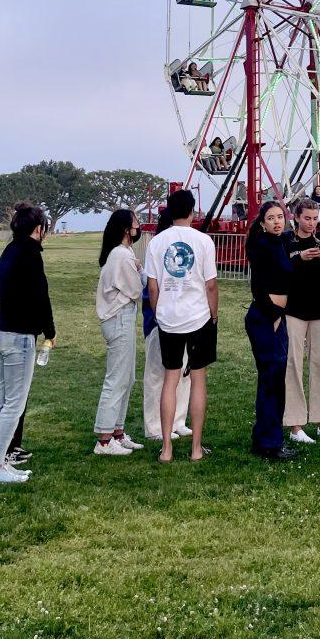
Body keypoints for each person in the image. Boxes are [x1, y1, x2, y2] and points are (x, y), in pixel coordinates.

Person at [0, 203, 56, 485]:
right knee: (13, 404)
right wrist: (49, 331)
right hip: (18, 336)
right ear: (39, 229)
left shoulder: (10, 250)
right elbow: (41, 296)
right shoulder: (31, 254)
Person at [145, 189, 218, 464]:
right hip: (198, 316)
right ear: (192, 211)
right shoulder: (203, 241)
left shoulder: (156, 242)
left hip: (168, 318)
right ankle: (196, 448)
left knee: (170, 379)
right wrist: (214, 315)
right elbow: (210, 284)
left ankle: (166, 448)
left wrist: (159, 310)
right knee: (198, 379)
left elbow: (153, 285)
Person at [283, 200, 320, 445]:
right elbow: (282, 269)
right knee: (293, 365)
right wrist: (300, 258)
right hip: (294, 310)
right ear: (296, 217)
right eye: (307, 218)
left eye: (315, 218)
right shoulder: (286, 241)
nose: (311, 223)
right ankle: (296, 426)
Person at [92, 210, 146, 456]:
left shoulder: (124, 254)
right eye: (136, 222)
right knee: (116, 378)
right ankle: (104, 439)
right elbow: (136, 288)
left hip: (123, 317)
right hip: (119, 318)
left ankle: (117, 432)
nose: (139, 226)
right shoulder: (122, 256)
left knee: (128, 377)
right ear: (127, 229)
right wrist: (141, 272)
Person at [244, 201, 296, 460]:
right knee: (271, 383)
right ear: (262, 222)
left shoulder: (280, 242)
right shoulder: (262, 245)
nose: (277, 221)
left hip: (276, 318)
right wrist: (274, 316)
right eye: (271, 218)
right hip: (266, 318)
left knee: (275, 382)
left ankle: (269, 438)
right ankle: (268, 443)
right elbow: (259, 287)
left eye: (280, 217)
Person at [141, 209, 192, 442]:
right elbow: (151, 288)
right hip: (158, 321)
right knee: (156, 374)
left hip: (184, 320)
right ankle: (154, 426)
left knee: (184, 371)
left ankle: (178, 420)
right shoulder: (157, 250)